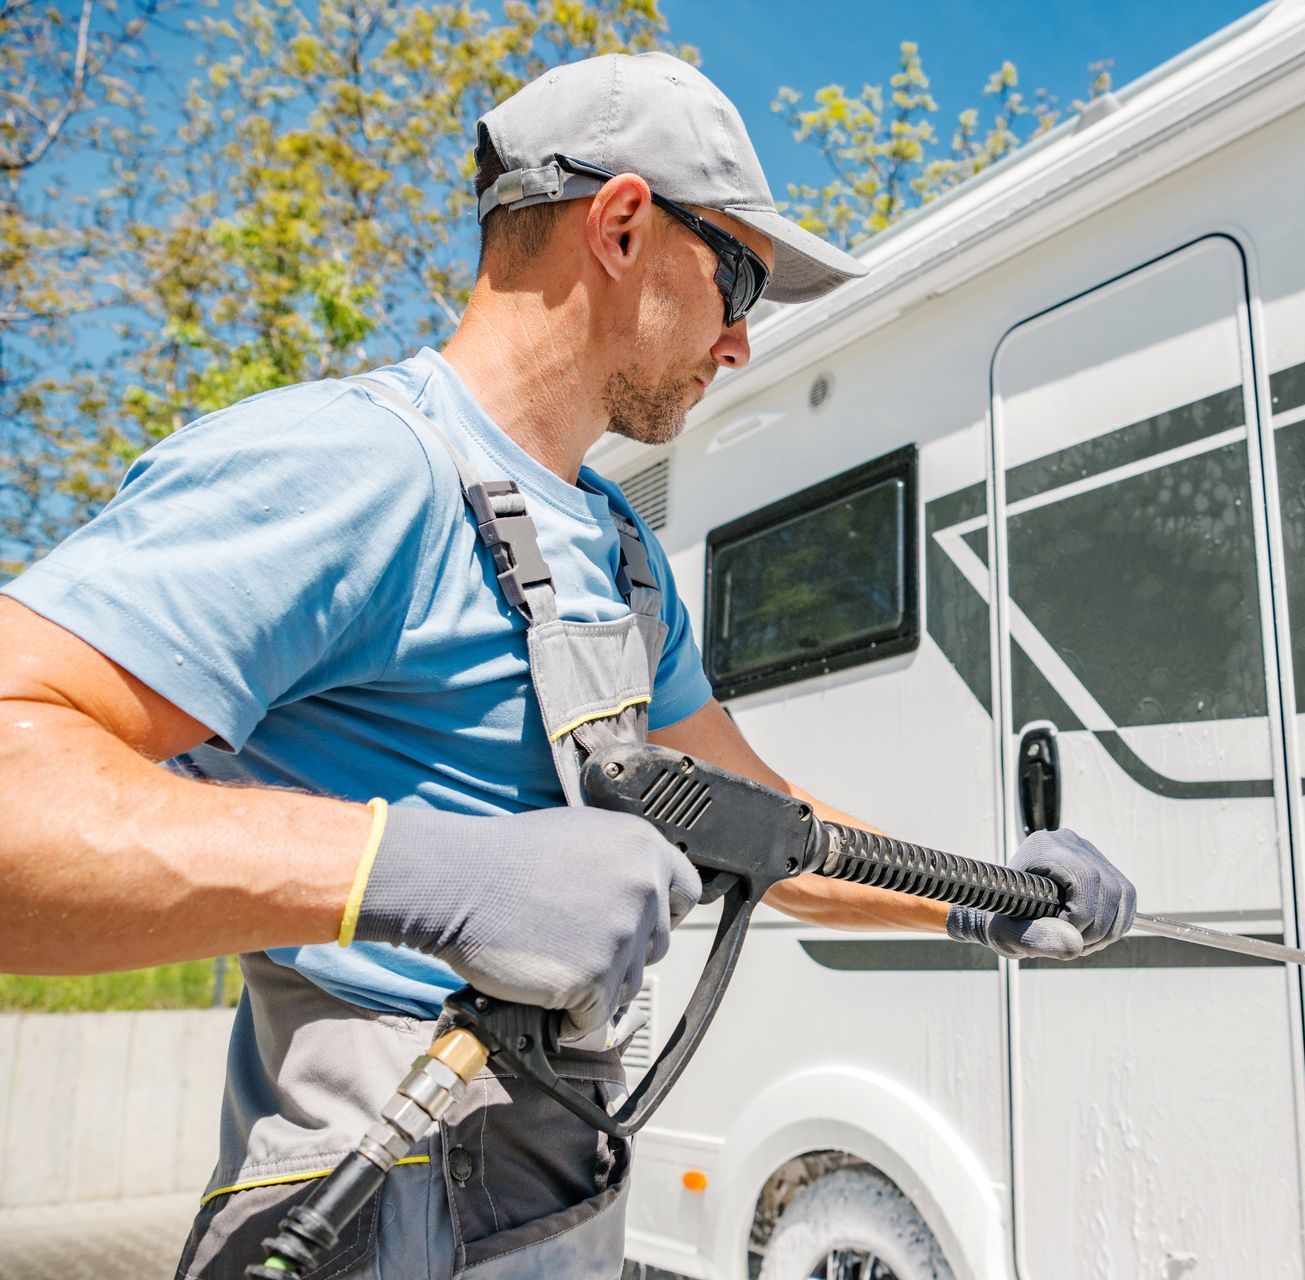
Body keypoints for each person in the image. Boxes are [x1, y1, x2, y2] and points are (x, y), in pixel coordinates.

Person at [0, 52, 1136, 1279]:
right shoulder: (357, 468)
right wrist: (433, 874)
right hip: (364, 1192)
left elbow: (769, 830)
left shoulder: (621, 550)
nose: (744, 341)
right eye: (738, 279)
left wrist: (980, 896)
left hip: (554, 1191)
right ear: (623, 224)